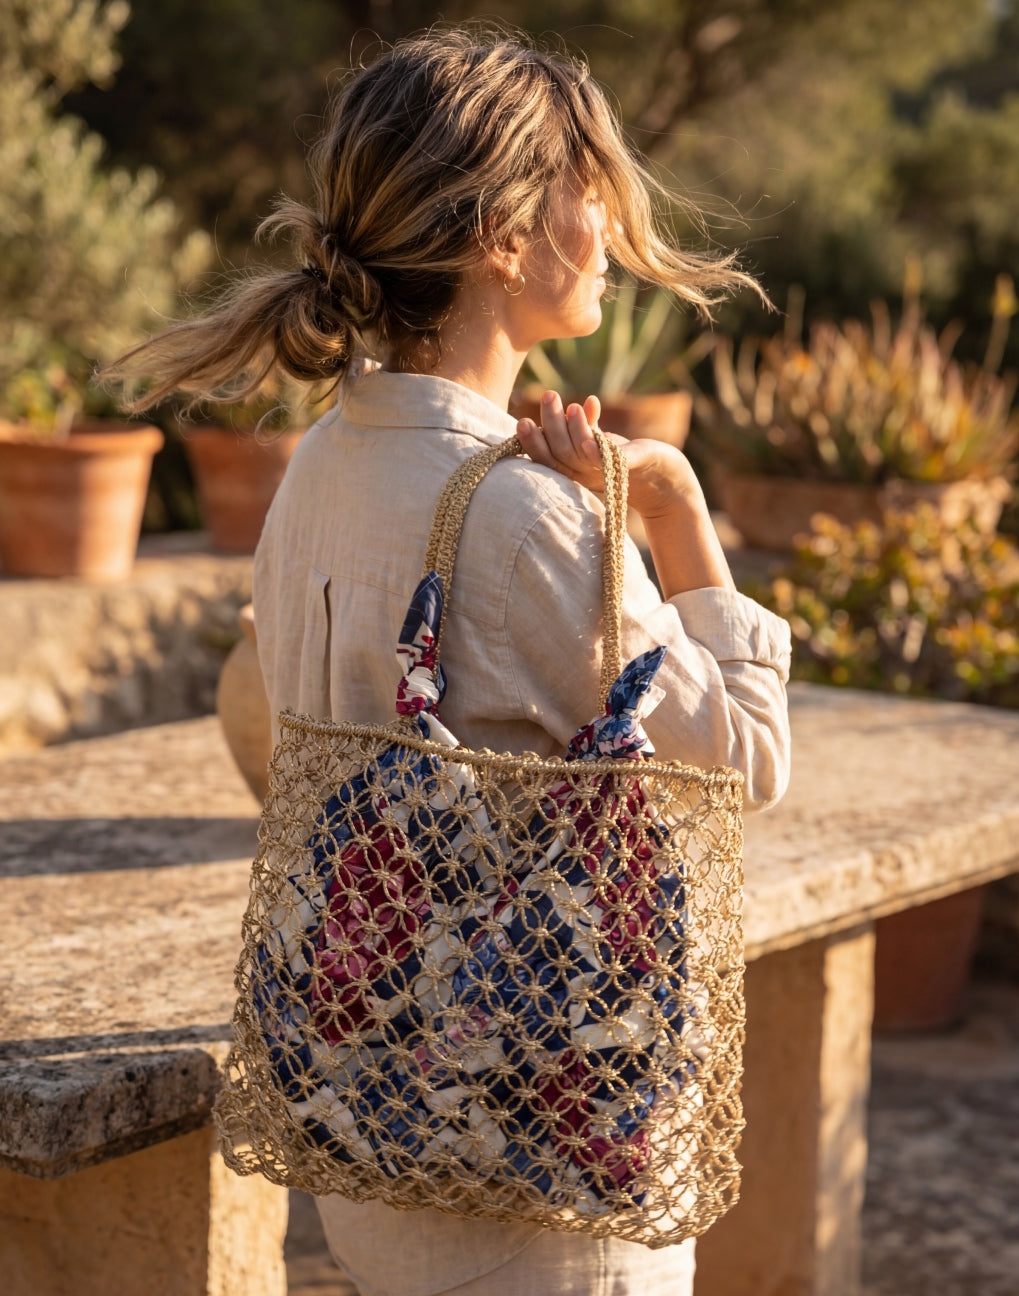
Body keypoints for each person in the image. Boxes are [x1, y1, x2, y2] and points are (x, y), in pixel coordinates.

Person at [113, 26, 791, 1296]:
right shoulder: (531, 518)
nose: (607, 220)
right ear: (501, 235)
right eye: (586, 181)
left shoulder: (319, 466)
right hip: (550, 1187)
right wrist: (675, 519)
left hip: (377, 1146)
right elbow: (744, 762)